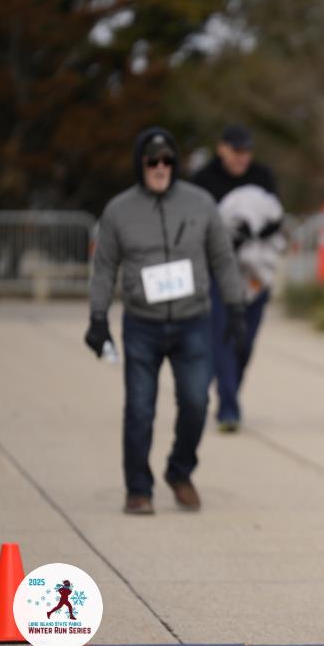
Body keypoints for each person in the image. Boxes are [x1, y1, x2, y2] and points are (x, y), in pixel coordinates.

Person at [86, 127, 246, 515]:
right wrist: (98, 317)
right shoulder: (119, 210)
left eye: (167, 160)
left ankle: (179, 471)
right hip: (142, 324)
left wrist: (236, 307)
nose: (160, 167)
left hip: (193, 322)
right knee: (140, 410)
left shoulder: (200, 203)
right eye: (152, 161)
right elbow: (104, 267)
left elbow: (222, 258)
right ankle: (138, 489)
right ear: (140, 164)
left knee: (196, 403)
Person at [192, 124, 282, 433]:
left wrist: (251, 231)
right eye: (236, 150)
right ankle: (228, 408)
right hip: (218, 272)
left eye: (247, 150)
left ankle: (228, 390)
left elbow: (276, 219)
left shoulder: (262, 176)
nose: (242, 156)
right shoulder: (203, 180)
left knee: (245, 342)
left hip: (256, 273)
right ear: (222, 149)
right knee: (222, 336)